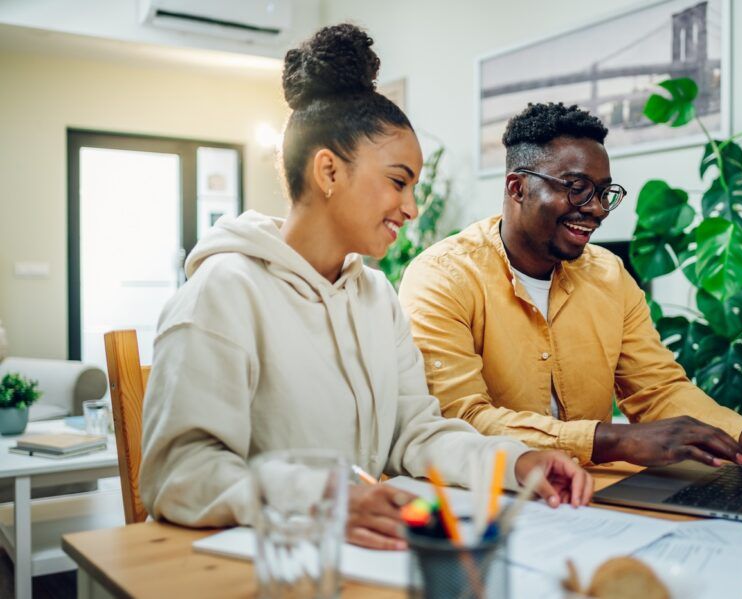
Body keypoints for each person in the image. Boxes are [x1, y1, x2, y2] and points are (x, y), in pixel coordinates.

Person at [140, 26, 593, 551]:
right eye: (399, 181)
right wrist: (323, 499)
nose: (411, 208)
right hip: (260, 568)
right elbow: (179, 474)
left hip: (360, 558)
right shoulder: (222, 293)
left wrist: (519, 462)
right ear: (328, 170)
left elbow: (416, 433)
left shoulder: (377, 299)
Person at [398, 102, 742, 484]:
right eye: (576, 189)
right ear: (518, 187)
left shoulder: (609, 275)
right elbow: (461, 421)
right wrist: (615, 438)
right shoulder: (442, 278)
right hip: (485, 505)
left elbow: (657, 389)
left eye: (603, 192)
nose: (595, 210)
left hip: (589, 498)